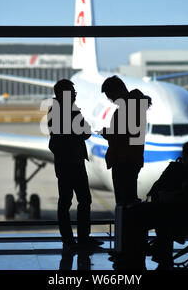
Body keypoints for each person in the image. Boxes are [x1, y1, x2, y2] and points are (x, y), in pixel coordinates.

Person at [121, 141, 188, 269]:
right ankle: (155, 254)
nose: (183, 160)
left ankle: (138, 255)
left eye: (185, 156)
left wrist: (169, 197)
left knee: (147, 215)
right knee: (158, 216)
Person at [48, 79, 102, 250]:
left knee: (66, 201)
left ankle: (69, 239)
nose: (74, 96)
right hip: (72, 162)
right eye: (72, 93)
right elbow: (85, 132)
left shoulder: (55, 111)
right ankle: (82, 238)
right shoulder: (69, 112)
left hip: (66, 162)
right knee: (82, 200)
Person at [99, 75, 152, 206]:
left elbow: (122, 137)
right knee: (129, 200)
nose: (110, 99)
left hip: (123, 160)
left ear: (117, 91)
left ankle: (125, 226)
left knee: (124, 203)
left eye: (110, 95)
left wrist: (107, 133)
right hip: (132, 159)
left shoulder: (127, 109)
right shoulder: (136, 105)